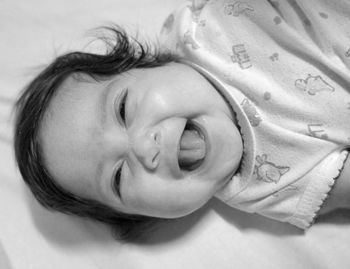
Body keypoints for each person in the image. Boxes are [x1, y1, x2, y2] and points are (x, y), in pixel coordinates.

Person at [14, 0, 350, 241]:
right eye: (117, 177)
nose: (144, 147)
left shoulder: (202, 28)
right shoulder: (265, 188)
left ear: (146, 64)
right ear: (142, 217)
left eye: (123, 109)